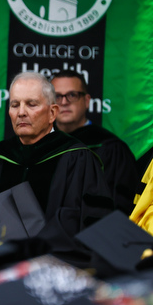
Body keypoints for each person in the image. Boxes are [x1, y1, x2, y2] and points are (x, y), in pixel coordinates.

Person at [0, 72, 114, 263]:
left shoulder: (77, 158)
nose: (21, 112)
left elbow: (89, 224)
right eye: (15, 104)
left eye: (31, 104)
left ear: (52, 113)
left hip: (54, 268)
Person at [50, 70, 140, 215]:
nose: (64, 102)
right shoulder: (42, 146)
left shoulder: (110, 148)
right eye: (57, 96)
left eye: (72, 95)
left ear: (86, 101)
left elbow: (121, 207)